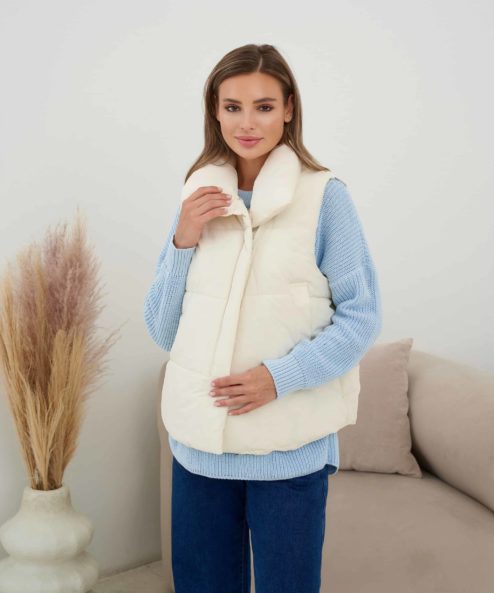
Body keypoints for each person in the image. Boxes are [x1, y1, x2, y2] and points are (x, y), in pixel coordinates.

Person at [144, 43, 382, 593]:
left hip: (289, 453)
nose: (246, 123)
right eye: (232, 107)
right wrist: (183, 239)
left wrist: (279, 377)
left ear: (289, 108)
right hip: (200, 450)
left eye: (264, 106)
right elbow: (162, 330)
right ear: (214, 111)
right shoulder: (198, 197)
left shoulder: (325, 198)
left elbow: (361, 318)